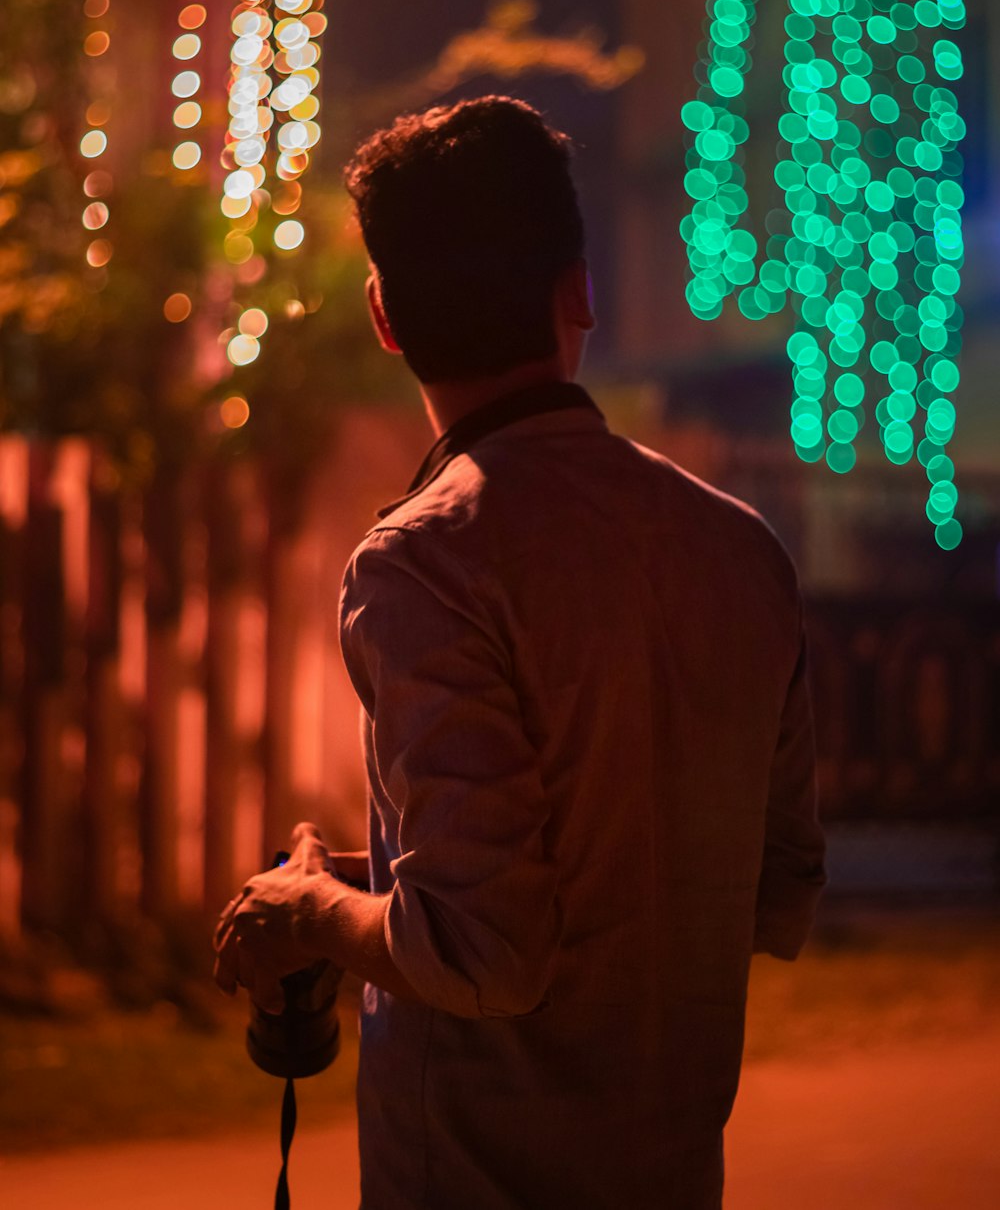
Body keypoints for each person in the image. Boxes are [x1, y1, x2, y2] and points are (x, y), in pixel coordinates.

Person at [214, 95, 827, 1210]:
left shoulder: (423, 566)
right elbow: (758, 887)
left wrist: (307, 915)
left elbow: (489, 949)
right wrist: (375, 886)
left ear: (385, 317)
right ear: (580, 292)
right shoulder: (737, 552)